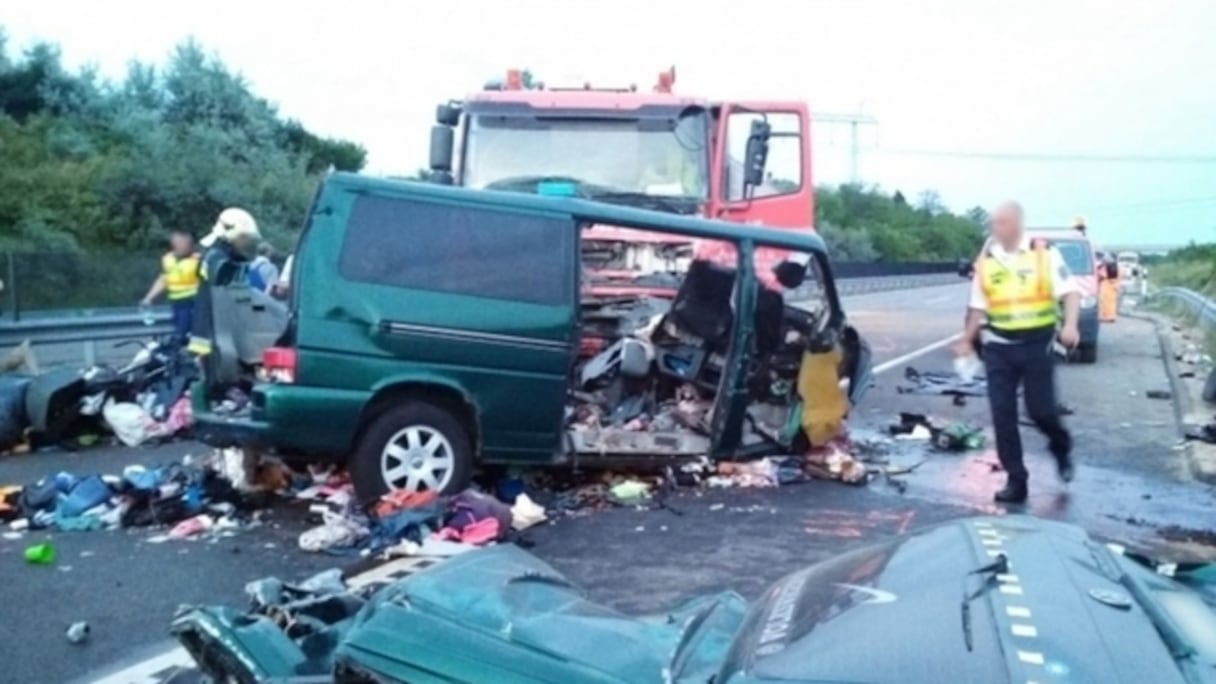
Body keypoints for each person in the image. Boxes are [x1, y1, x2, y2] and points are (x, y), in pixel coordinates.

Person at [955, 201, 1080, 504]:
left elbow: (1071, 292)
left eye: (1002, 223)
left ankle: (1060, 446)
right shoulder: (986, 262)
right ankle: (1016, 479)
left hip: (1037, 345)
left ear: (1017, 224)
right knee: (1003, 416)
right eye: (994, 223)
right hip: (998, 347)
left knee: (1041, 412)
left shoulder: (1043, 254)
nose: (996, 229)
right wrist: (967, 339)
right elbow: (977, 308)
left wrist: (1071, 326)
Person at [187, 207, 261, 357]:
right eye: (243, 238)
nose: (246, 243)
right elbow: (220, 277)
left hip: (227, 335)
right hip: (210, 337)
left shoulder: (233, 258)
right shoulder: (215, 256)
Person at [141, 229, 200, 343]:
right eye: (178, 243)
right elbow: (163, 280)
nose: (182, 246)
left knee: (184, 336)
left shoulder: (198, 260)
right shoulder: (168, 259)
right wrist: (149, 298)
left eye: (185, 243)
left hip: (193, 304)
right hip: (176, 304)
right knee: (180, 335)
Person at [1098, 255, 1120, 322]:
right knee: (1109, 302)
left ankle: (1107, 317)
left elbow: (1106, 276)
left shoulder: (1109, 266)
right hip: (1112, 286)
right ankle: (1109, 316)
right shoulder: (1115, 266)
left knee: (1106, 301)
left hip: (1108, 286)